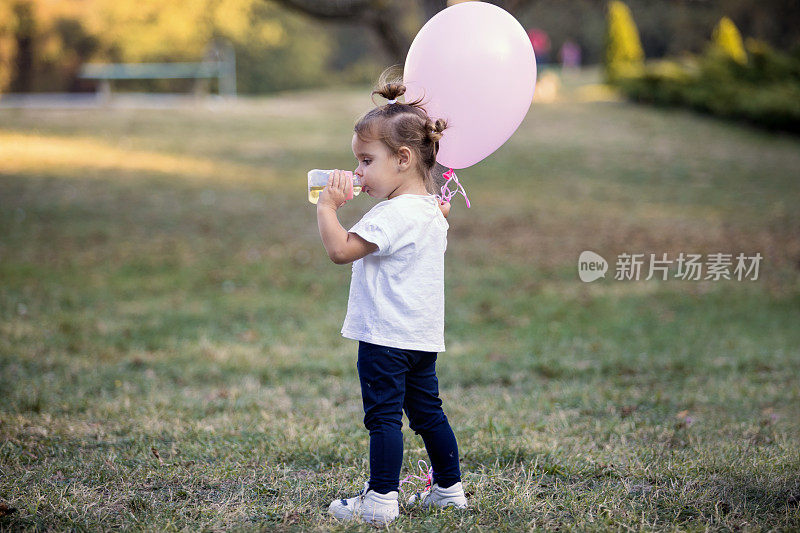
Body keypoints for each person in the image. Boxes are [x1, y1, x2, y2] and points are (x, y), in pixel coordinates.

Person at [315, 70, 467, 525]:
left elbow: (341, 251)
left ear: (402, 158)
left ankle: (380, 500)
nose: (358, 172)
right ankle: (449, 489)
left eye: (365, 161)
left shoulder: (390, 215)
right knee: (428, 414)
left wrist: (326, 208)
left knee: (383, 419)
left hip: (384, 337)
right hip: (420, 338)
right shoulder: (431, 210)